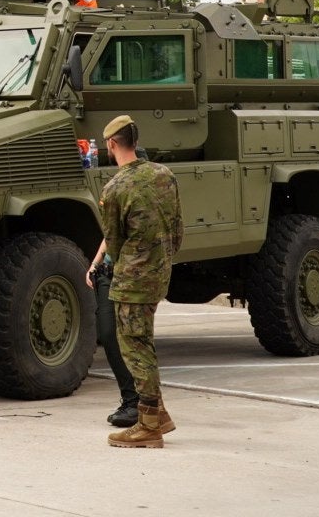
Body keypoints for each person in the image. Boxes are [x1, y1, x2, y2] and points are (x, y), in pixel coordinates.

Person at [98, 114, 183, 448]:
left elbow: (114, 243)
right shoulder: (164, 174)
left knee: (135, 349)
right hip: (160, 272)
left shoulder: (115, 187)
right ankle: (158, 412)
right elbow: (178, 227)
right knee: (143, 342)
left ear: (112, 144)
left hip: (132, 279)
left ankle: (148, 425)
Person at [86, 236, 139, 427]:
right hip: (108, 274)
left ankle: (137, 404)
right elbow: (110, 234)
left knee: (135, 339)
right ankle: (130, 400)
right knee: (107, 334)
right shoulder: (114, 205)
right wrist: (95, 263)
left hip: (132, 276)